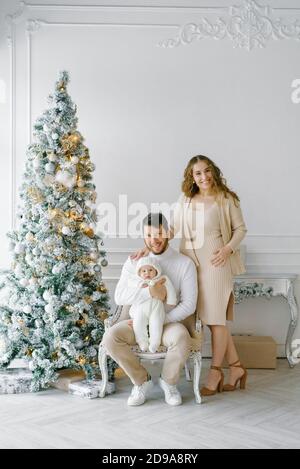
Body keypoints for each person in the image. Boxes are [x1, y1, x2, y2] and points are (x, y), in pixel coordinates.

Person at [132, 155, 248, 396]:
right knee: (208, 318)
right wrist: (150, 244)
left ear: (213, 171)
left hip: (216, 264)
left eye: (207, 171)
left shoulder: (227, 199)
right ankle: (236, 368)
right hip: (190, 265)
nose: (203, 177)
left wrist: (227, 249)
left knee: (217, 320)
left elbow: (240, 229)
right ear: (191, 177)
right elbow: (171, 228)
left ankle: (216, 372)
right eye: (198, 173)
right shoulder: (186, 198)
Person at [102, 212, 198, 406]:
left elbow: (189, 304)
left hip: (168, 322)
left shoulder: (184, 263)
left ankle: (168, 383)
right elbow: (120, 296)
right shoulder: (134, 261)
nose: (154, 240)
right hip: (136, 320)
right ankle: (141, 382)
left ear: (168, 233)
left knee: (181, 338)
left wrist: (161, 319)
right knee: (110, 338)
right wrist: (150, 293)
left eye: (159, 234)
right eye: (148, 235)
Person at [128, 256, 177, 353]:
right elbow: (132, 292)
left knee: (156, 324)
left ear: (156, 270)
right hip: (141, 307)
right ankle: (142, 341)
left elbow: (170, 289)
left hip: (156, 307)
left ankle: (155, 342)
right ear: (139, 273)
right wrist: (140, 285)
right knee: (138, 323)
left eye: (150, 270)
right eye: (144, 271)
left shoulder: (162, 279)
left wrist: (171, 301)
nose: (147, 273)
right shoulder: (138, 282)